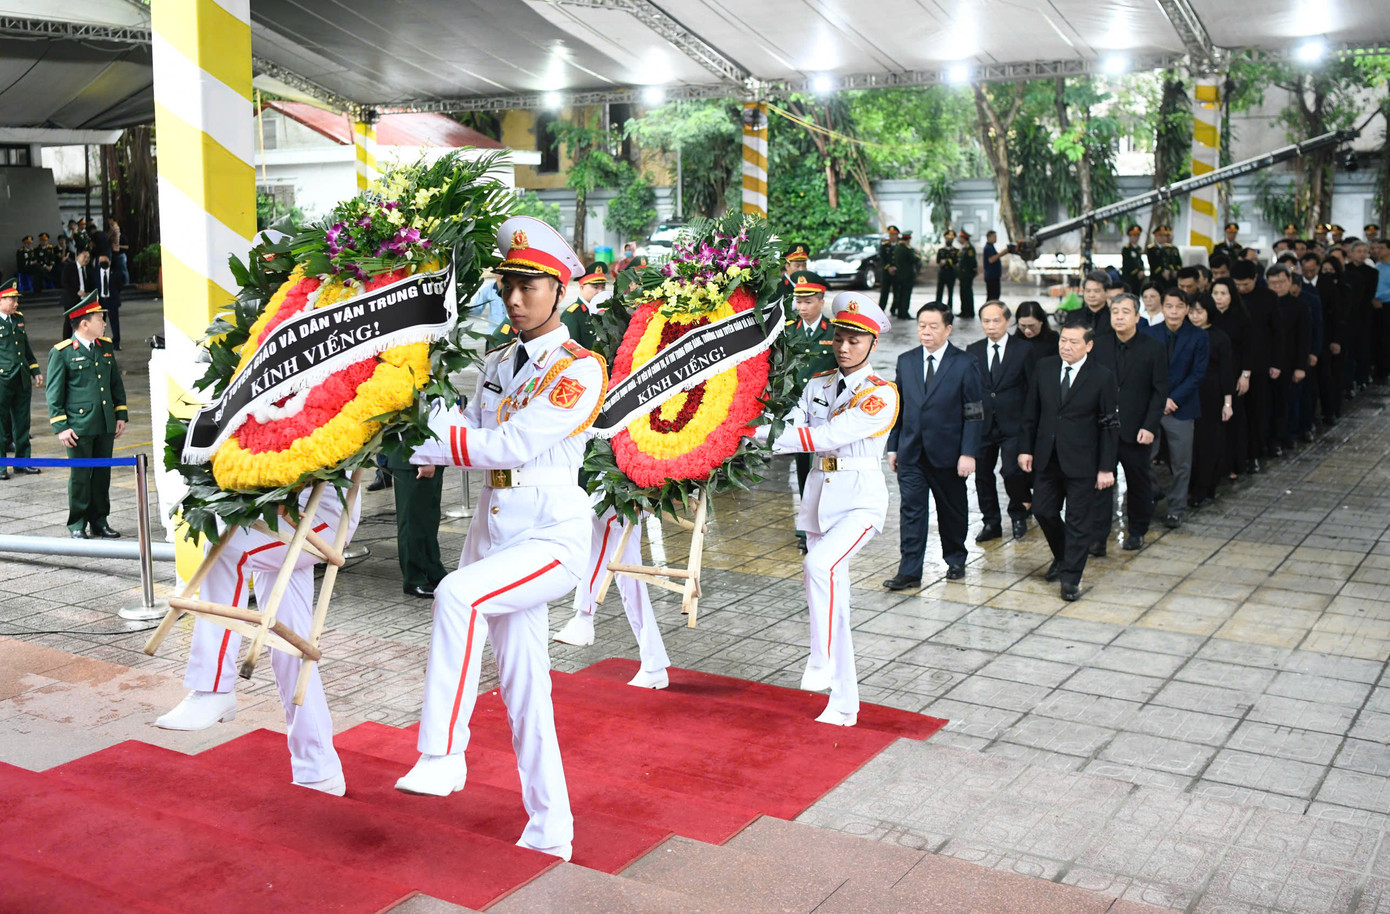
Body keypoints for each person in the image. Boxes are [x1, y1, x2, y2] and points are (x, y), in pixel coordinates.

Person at [396, 215, 604, 863]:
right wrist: (414, 402)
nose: (515, 298)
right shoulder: (495, 361)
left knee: (457, 597)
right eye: (508, 283)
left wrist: (439, 439)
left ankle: (443, 754)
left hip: (549, 534)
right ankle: (551, 824)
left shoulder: (580, 368)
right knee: (523, 686)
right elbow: (469, 425)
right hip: (495, 530)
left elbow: (509, 444)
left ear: (561, 290)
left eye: (530, 285)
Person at [153, 483, 361, 796]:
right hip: (271, 509)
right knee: (288, 643)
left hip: (320, 513)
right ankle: (318, 767)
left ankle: (212, 687)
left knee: (228, 550)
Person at [753, 291, 897, 726]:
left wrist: (752, 434)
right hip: (820, 496)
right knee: (836, 603)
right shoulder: (819, 384)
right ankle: (844, 702)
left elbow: (827, 436)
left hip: (859, 500)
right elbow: (796, 423)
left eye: (855, 339)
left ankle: (820, 660)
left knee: (819, 567)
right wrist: (754, 431)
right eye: (840, 337)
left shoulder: (880, 395)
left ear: (872, 344)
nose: (844, 346)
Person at [1018, 313, 1119, 601]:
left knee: (1077, 521)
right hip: (1047, 457)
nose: (1066, 347)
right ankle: (1064, 555)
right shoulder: (1045, 368)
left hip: (1083, 462)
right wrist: (1026, 449)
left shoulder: (1102, 376)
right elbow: (1031, 413)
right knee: (1043, 511)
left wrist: (1106, 468)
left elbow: (1109, 424)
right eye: (1063, 340)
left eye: (1074, 342)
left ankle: (1071, 577)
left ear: (1088, 346)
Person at [883, 301, 982, 588]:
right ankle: (910, 571)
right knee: (912, 511)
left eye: (933, 326)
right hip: (911, 452)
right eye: (921, 326)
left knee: (951, 510)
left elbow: (974, 412)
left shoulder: (964, 363)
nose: (925, 332)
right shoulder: (907, 360)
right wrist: (893, 447)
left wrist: (968, 453)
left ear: (948, 329)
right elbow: (898, 408)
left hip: (949, 455)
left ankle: (955, 558)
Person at [1089, 293, 1166, 553]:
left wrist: (1150, 426)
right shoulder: (1098, 346)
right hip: (1103, 429)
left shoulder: (1153, 347)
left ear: (1137, 316)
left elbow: (1159, 391)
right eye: (1115, 312)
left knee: (1138, 483)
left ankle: (1137, 530)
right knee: (1100, 485)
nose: (1119, 317)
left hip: (1137, 429)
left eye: (1125, 312)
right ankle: (1098, 537)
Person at [46, 292, 127, 538]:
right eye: (100, 318)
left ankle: (100, 521)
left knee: (102, 475)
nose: (104, 323)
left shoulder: (105, 347)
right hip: (78, 426)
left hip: (104, 422)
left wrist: (120, 414)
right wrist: (61, 427)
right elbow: (54, 393)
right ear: (84, 323)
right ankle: (77, 524)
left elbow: (115, 384)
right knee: (80, 477)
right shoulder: (62, 352)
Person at [967, 301, 1037, 542]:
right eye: (986, 321)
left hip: (1014, 424)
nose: (991, 326)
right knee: (983, 475)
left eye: (996, 320)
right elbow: (971, 392)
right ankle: (991, 522)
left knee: (1012, 471)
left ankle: (1019, 514)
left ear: (1007, 321)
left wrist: (1029, 423)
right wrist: (972, 425)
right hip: (983, 424)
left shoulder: (1023, 349)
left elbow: (1031, 390)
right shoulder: (973, 350)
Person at [1142, 289, 1208, 528]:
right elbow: (1143, 371)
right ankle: (1153, 491)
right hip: (1152, 406)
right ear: (1162, 308)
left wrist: (1173, 399)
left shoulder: (1199, 336)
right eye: (1168, 306)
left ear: (1187, 309)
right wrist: (1160, 399)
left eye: (1179, 306)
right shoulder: (1148, 333)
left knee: (1181, 463)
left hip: (1182, 407)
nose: (1173, 311)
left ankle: (1176, 509)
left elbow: (1198, 374)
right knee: (1142, 458)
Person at [782, 271, 836, 551]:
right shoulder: (789, 329)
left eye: (808, 301)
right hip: (798, 414)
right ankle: (807, 528)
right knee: (804, 469)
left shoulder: (834, 332)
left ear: (821, 300)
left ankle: (828, 521)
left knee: (827, 469)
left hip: (826, 413)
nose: (802, 307)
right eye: (798, 301)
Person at [1230, 259, 1282, 471]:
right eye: (1238, 285)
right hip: (1234, 364)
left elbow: (1278, 332)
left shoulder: (1268, 298)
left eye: (1245, 285)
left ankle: (1255, 454)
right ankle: (1235, 457)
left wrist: (1276, 363)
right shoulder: (1228, 298)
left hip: (1260, 364)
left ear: (1255, 279)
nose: (1241, 289)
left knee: (1257, 411)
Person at [1186, 295, 1234, 508]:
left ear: (1208, 312)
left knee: (1208, 442)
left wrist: (1227, 402)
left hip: (1211, 394)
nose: (1195, 316)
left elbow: (1226, 371)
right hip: (1187, 393)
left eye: (1200, 312)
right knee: (1190, 444)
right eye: (1192, 312)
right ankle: (1191, 485)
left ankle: (1205, 487)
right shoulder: (1185, 335)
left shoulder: (1219, 337)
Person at [1209, 277, 1252, 478]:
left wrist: (1245, 374)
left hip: (1235, 372)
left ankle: (1235, 463)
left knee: (1234, 420)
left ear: (1231, 296)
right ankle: (1217, 465)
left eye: (1223, 293)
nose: (1219, 298)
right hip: (1212, 374)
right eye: (1215, 293)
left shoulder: (1241, 317)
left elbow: (1248, 348)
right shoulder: (1209, 317)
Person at [0, 280, 43, 481]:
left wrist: (35, 370)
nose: (16, 303)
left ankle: (22, 463)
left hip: (21, 378)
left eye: (17, 299)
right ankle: (1, 466)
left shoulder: (18, 319)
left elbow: (26, 348)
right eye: (12, 299)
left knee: (22, 422)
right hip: (2, 380)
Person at [1265, 265, 1311, 454]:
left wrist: (1301, 366)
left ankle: (1285, 437)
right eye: (1273, 283)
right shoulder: (1264, 303)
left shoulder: (1300, 305)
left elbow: (1304, 338)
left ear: (1290, 281)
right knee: (1268, 404)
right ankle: (1269, 439)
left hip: (1290, 362)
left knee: (1287, 402)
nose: (1277, 286)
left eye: (1282, 282)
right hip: (1267, 362)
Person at [561, 261, 608, 350]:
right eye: (595, 287)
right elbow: (571, 350)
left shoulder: (604, 311)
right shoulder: (572, 315)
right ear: (582, 288)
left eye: (603, 287)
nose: (600, 292)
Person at [59, 248, 95, 338]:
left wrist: (89, 292)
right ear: (78, 256)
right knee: (69, 322)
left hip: (84, 300)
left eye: (88, 257)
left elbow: (92, 283)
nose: (86, 259)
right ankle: (66, 343)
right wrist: (76, 292)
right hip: (71, 299)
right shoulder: (69, 267)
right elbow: (64, 282)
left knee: (83, 322)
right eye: (84, 257)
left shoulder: (89, 269)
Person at [96, 254, 122, 350]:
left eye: (105, 261)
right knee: (99, 323)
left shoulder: (115, 272)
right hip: (100, 301)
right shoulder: (96, 272)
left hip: (112, 300)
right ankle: (100, 343)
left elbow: (120, 285)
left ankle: (116, 343)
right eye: (101, 261)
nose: (103, 263)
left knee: (114, 322)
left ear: (110, 262)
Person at [892, 231, 919, 320]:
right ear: (908, 239)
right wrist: (918, 255)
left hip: (899, 275)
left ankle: (900, 312)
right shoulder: (907, 249)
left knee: (900, 294)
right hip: (908, 276)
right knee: (906, 295)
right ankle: (904, 313)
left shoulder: (897, 248)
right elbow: (914, 260)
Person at [1081, 270, 1113, 338]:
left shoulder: (1113, 317)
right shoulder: (1073, 316)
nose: (1091, 295)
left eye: (1096, 291)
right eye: (1088, 291)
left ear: (1107, 292)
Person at [956, 231, 977, 319]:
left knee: (967, 293)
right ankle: (964, 311)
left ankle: (969, 311)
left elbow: (972, 262)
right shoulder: (963, 248)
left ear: (964, 238)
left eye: (960, 238)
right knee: (963, 293)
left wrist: (971, 273)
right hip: (963, 274)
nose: (958, 239)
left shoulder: (969, 248)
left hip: (967, 274)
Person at [878, 225, 900, 312]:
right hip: (886, 272)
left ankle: (894, 308)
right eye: (890, 235)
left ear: (897, 235)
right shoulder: (884, 245)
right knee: (884, 291)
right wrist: (888, 267)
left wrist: (895, 268)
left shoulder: (899, 246)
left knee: (896, 292)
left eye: (894, 235)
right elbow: (882, 258)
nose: (892, 237)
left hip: (896, 272)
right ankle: (881, 309)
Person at [934, 230, 957, 310]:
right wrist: (941, 262)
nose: (949, 240)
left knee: (950, 292)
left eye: (951, 239)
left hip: (951, 273)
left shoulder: (956, 251)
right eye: (947, 239)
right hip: (942, 273)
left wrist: (947, 261)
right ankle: (937, 306)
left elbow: (956, 261)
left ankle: (949, 308)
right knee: (939, 291)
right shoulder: (941, 250)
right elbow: (938, 260)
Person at [1120, 225, 1146, 292]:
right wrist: (1137, 271)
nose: (1136, 238)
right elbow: (1127, 263)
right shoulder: (1126, 249)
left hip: (1138, 279)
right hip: (1129, 278)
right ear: (1130, 236)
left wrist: (1141, 270)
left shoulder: (1138, 248)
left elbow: (1140, 262)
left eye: (1137, 235)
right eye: (1134, 235)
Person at [983, 230, 1003, 302]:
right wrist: (1003, 253)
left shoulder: (991, 247)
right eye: (994, 237)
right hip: (991, 275)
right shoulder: (988, 247)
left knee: (995, 295)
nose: (995, 238)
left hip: (994, 275)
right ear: (989, 237)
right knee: (992, 296)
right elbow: (991, 259)